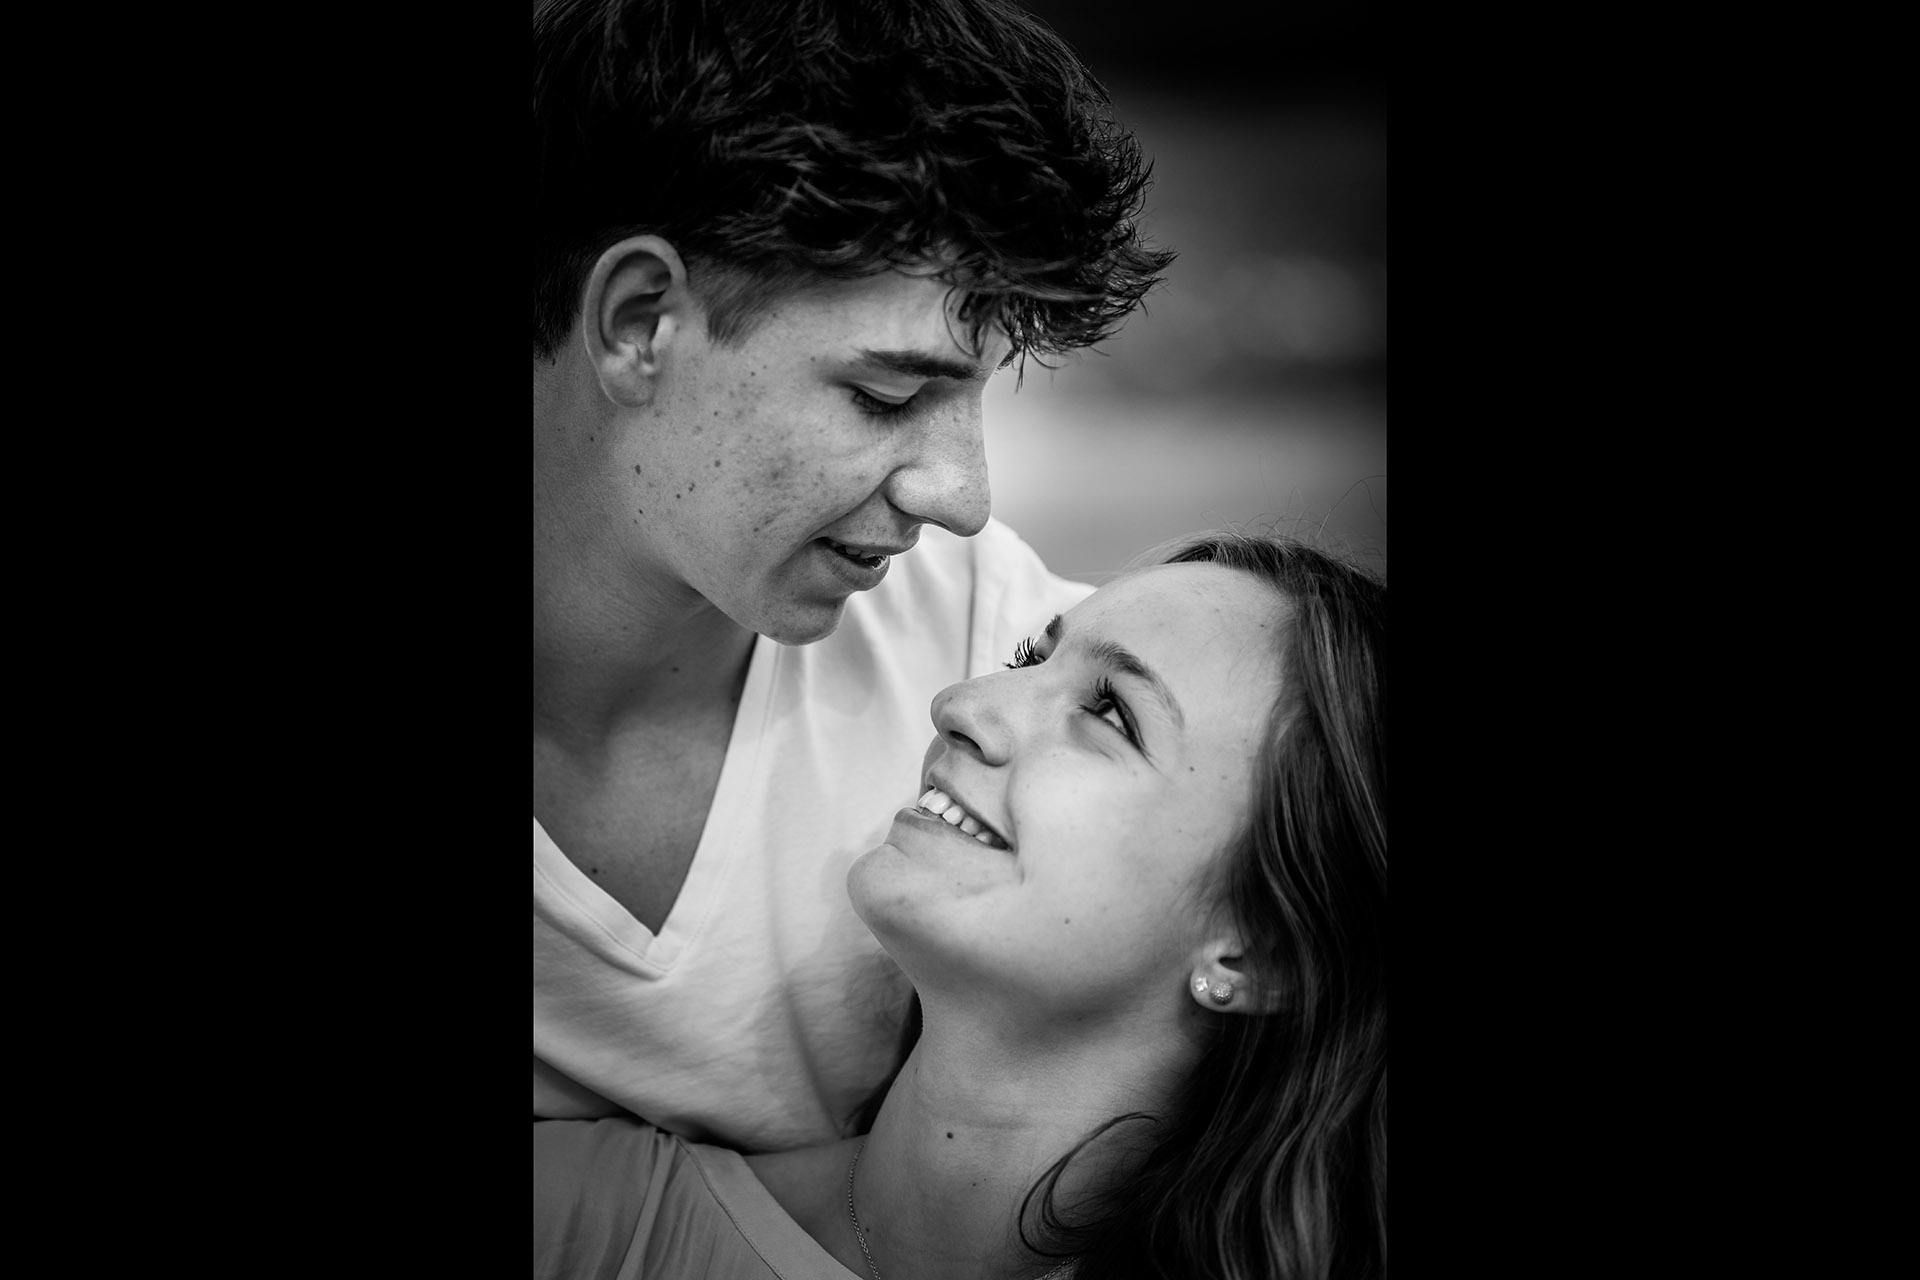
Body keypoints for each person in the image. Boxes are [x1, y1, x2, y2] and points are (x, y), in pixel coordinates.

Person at [532, 0, 1175, 1152]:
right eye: (883, 395)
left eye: (976, 395)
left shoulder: (1007, 671)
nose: (963, 497)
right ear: (639, 323)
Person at [534, 533, 1390, 1280]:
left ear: (1262, 952)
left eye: (1110, 714)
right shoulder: (581, 1224)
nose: (962, 706)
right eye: (1029, 659)